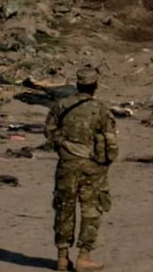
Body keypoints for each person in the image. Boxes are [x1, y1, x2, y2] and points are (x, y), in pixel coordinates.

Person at [44, 66, 118, 272]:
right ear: (95, 86)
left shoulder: (61, 105)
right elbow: (111, 141)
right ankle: (84, 257)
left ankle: (62, 257)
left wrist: (64, 147)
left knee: (63, 208)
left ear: (77, 85)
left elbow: (49, 131)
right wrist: (107, 160)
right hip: (92, 167)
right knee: (91, 210)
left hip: (67, 164)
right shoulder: (100, 109)